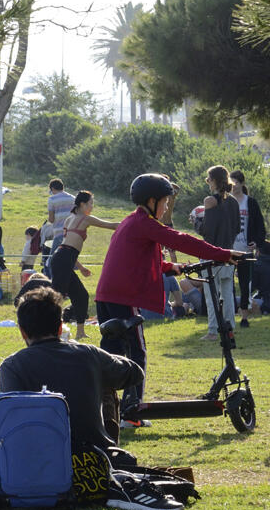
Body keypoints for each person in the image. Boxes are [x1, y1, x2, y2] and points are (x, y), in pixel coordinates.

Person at [95, 173, 240, 431]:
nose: (165, 208)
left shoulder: (131, 222)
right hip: (123, 298)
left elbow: (136, 260)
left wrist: (170, 267)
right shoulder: (144, 222)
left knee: (112, 356)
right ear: (151, 201)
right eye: (164, 202)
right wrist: (224, 253)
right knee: (136, 353)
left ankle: (106, 413)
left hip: (107, 297)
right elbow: (180, 240)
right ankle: (131, 413)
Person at [0, 287, 144, 452]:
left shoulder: (12, 367)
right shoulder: (89, 355)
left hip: (41, 461)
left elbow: (11, 423)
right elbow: (135, 373)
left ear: (23, 332)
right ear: (60, 328)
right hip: (95, 459)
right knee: (105, 383)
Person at [48, 191, 119, 341]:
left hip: (62, 258)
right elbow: (111, 225)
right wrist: (130, 224)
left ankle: (80, 332)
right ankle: (51, 331)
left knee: (81, 295)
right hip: (63, 259)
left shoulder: (69, 219)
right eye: (90, 203)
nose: (92, 206)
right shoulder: (85, 219)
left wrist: (79, 267)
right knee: (57, 298)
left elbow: (68, 247)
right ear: (82, 204)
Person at [199, 165, 241, 340]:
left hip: (212, 253)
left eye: (209, 179)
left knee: (211, 295)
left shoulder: (210, 201)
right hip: (228, 252)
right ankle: (229, 327)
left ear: (215, 180)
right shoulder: (233, 202)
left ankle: (213, 330)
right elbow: (237, 228)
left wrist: (196, 222)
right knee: (228, 293)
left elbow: (207, 231)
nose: (207, 182)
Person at [230, 169, 265, 327]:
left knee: (245, 284)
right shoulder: (226, 202)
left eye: (237, 182)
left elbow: (260, 226)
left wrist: (256, 242)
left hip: (245, 249)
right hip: (228, 249)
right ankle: (229, 314)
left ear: (242, 183)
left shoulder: (250, 202)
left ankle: (244, 316)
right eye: (232, 182)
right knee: (227, 282)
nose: (234, 185)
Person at [47, 178, 76, 251]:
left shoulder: (52, 199)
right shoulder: (73, 198)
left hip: (59, 232)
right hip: (72, 232)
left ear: (52, 188)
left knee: (52, 258)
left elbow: (51, 219)